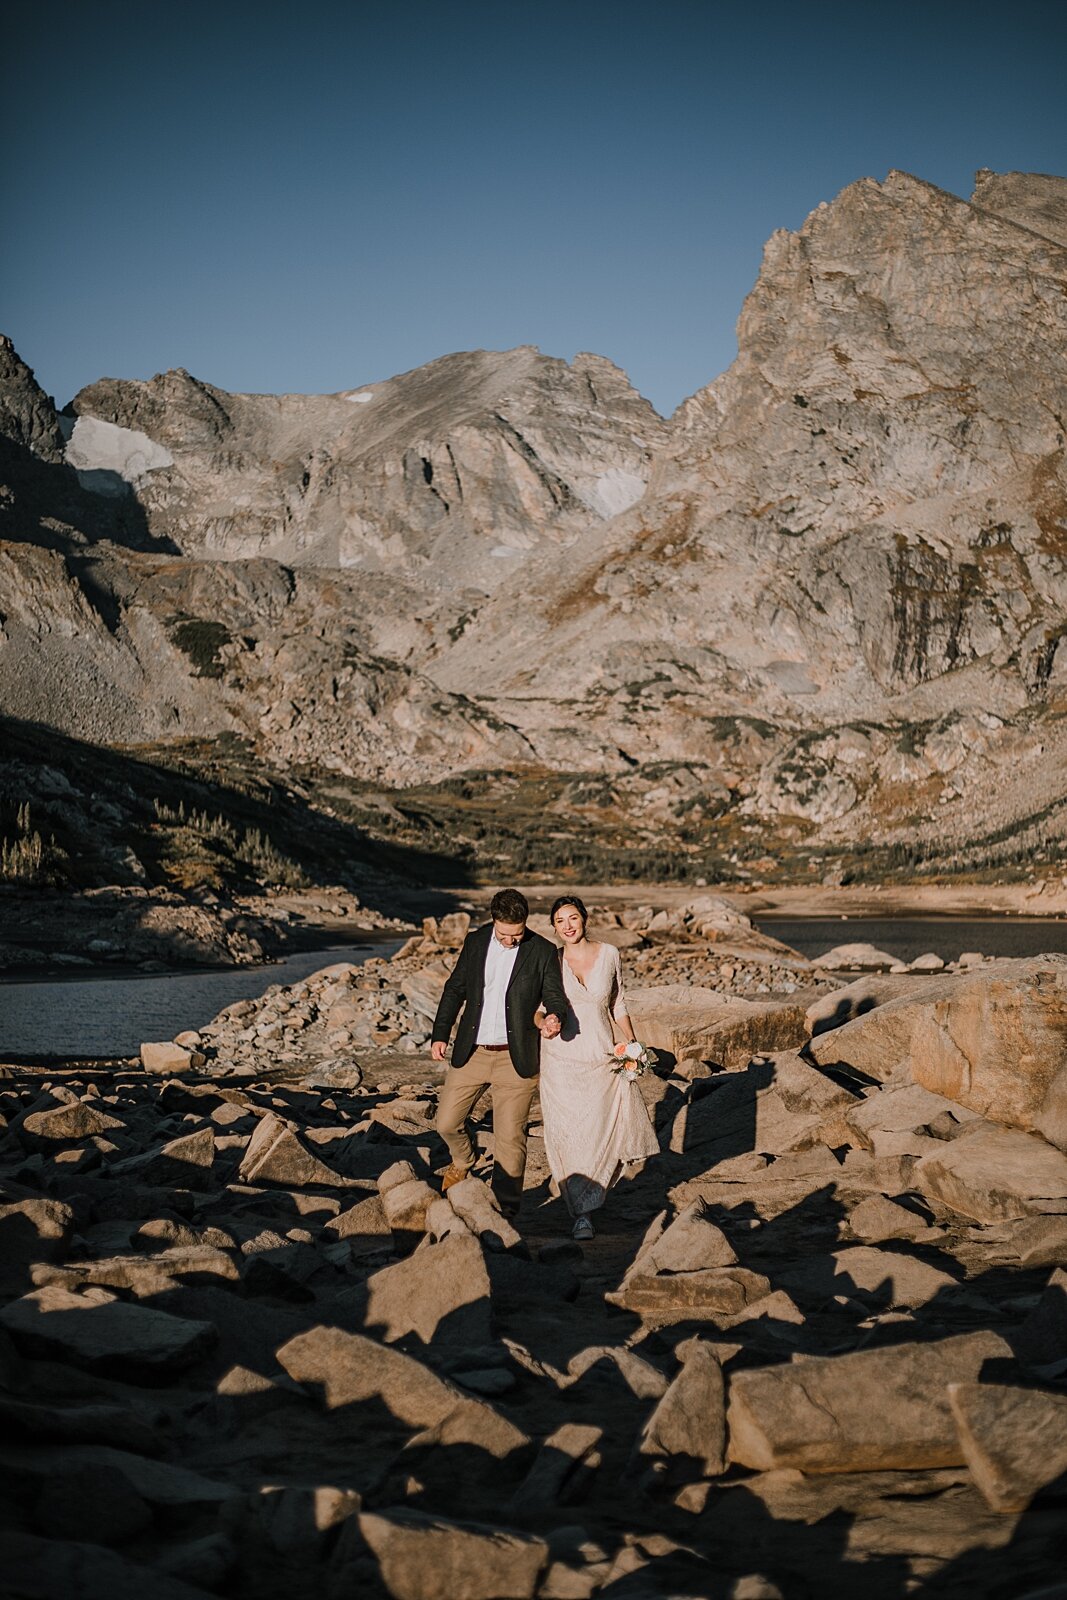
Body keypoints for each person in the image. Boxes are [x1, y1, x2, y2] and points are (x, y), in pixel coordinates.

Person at [431, 888, 569, 1219]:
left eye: (517, 935)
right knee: (446, 1123)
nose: (511, 941)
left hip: (516, 1057)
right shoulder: (476, 942)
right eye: (505, 935)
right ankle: (464, 1160)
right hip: (472, 1051)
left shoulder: (542, 950)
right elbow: (455, 989)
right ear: (494, 920)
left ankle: (505, 1209)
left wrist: (555, 1017)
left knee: (509, 1139)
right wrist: (440, 1034)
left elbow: (554, 996)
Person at [537, 896, 659, 1240]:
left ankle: (590, 1198)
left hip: (602, 1055)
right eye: (560, 921)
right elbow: (537, 1008)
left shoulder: (610, 955)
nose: (567, 926)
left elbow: (617, 1003)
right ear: (554, 927)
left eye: (572, 918)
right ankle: (581, 1213)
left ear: (585, 919)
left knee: (600, 1131)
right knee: (568, 1134)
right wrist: (543, 1023)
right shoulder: (551, 960)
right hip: (560, 1060)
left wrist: (633, 1044)